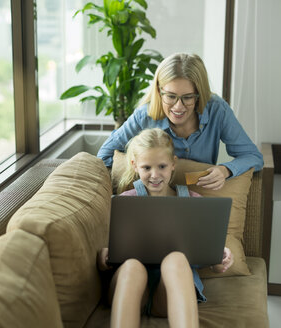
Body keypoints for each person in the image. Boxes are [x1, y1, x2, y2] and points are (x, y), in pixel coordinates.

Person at [97, 128, 234, 328]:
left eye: (161, 166)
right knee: (132, 266)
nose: (155, 175)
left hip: (170, 295)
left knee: (176, 259)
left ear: (173, 164)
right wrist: (104, 256)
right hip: (130, 290)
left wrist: (219, 260)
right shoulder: (123, 203)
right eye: (146, 168)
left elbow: (209, 259)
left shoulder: (195, 203)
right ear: (135, 166)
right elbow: (106, 251)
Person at [97, 53, 263, 190]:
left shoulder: (217, 110)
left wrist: (225, 170)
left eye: (188, 97)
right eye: (170, 96)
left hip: (197, 198)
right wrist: (140, 171)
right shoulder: (144, 116)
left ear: (200, 94)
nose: (178, 106)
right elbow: (104, 156)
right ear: (159, 91)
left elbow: (253, 157)